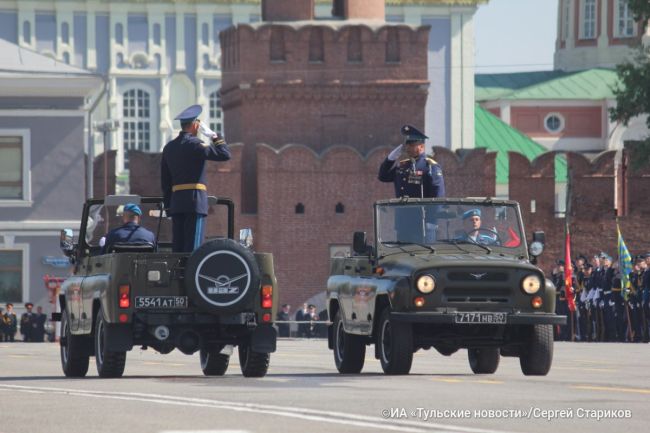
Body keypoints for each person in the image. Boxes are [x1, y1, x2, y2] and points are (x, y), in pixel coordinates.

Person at [161, 104, 231, 253]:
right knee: (193, 249)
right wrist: (214, 136)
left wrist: (168, 207)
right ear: (195, 125)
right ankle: (189, 276)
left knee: (178, 248)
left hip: (176, 203)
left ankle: (178, 275)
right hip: (195, 202)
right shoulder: (197, 145)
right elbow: (225, 154)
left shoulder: (169, 148)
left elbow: (165, 182)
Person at [378, 124, 445, 199]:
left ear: (421, 147)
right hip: (401, 210)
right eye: (407, 145)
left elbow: (437, 196)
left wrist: (432, 211)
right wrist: (390, 159)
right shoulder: (402, 165)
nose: (407, 148)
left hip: (421, 210)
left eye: (411, 145)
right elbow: (383, 177)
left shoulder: (430, 166)